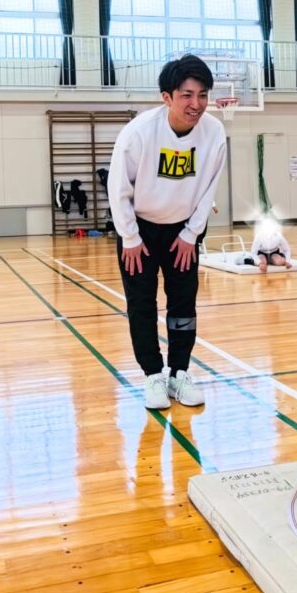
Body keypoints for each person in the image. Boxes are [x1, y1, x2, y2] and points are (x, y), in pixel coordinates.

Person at [108, 54, 227, 409]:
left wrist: (192, 234)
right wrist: (129, 237)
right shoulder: (139, 133)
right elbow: (118, 188)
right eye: (187, 95)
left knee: (183, 304)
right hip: (140, 233)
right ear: (167, 97)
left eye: (203, 95)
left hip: (183, 233)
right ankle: (152, 376)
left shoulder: (214, 132)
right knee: (141, 306)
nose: (196, 104)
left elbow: (209, 188)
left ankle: (179, 373)